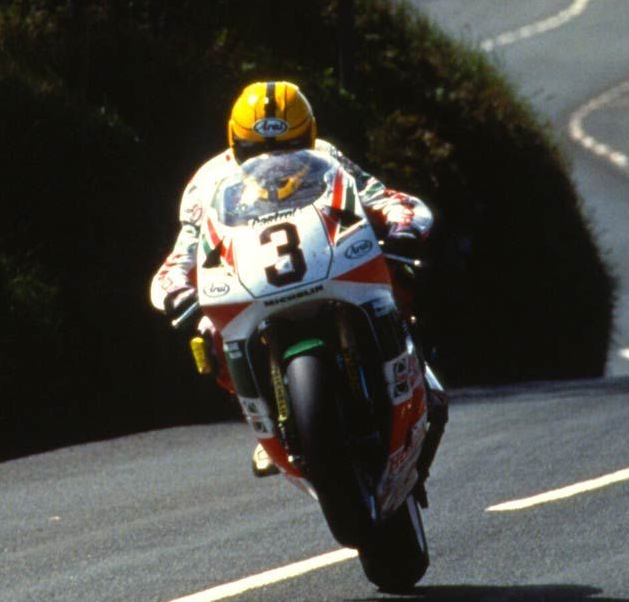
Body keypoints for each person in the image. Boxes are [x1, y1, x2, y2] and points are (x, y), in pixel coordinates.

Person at [149, 80, 448, 494]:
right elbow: (182, 254)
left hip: (329, 261)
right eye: (257, 151)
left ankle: (414, 370)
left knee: (402, 273)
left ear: (308, 136)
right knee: (209, 336)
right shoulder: (207, 184)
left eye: (289, 148)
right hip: (253, 282)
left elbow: (380, 196)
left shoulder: (327, 157)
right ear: (235, 143)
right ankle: (267, 423)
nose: (272, 160)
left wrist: (403, 227)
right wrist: (178, 290)